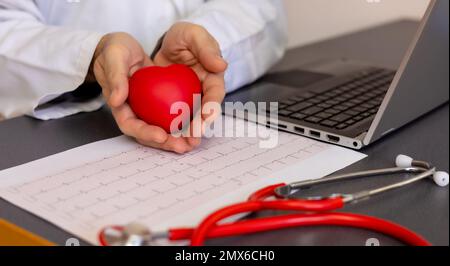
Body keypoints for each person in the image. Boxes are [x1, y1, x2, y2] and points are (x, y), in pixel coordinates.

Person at [0, 0, 287, 153]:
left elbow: (259, 5)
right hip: (64, 132)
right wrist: (91, 56)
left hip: (212, 94)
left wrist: (207, 39)